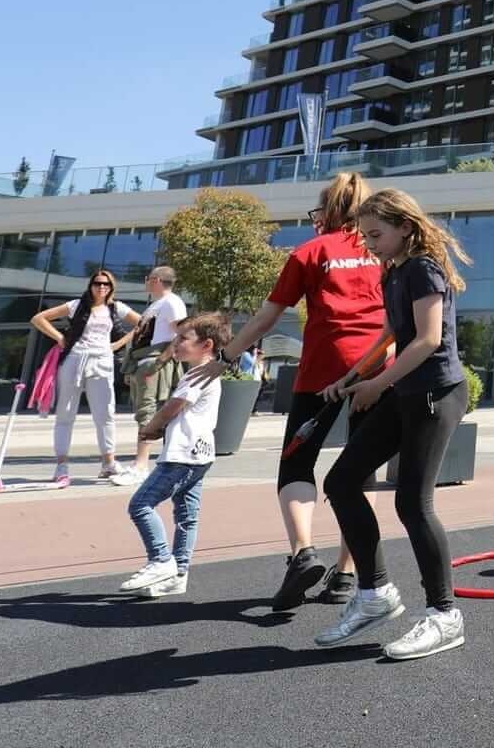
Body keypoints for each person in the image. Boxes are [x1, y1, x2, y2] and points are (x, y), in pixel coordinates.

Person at [191, 172, 384, 612]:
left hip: (323, 365)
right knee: (362, 469)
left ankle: (303, 552)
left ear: (330, 211)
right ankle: (347, 574)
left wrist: (224, 359)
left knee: (297, 462)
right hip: (376, 365)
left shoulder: (311, 251)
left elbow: (265, 318)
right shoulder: (381, 250)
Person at [314, 189, 470, 660]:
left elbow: (426, 340)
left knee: (413, 503)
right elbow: (390, 334)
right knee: (341, 482)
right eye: (366, 236)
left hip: (436, 394)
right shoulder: (395, 270)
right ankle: (376, 592)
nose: (371, 244)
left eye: (377, 234)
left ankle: (445, 616)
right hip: (404, 393)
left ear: (405, 226)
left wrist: (376, 385)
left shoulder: (423, 267)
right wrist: (351, 376)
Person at [119, 313, 233, 599]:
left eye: (183, 338)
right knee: (187, 515)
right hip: (200, 454)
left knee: (140, 505)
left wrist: (151, 427)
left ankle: (161, 561)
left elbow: (175, 405)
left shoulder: (199, 373)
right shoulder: (203, 372)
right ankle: (178, 573)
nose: (176, 343)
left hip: (182, 455)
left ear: (206, 345)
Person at [29, 271, 139, 485]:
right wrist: (60, 338)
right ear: (91, 285)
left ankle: (109, 463)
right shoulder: (76, 305)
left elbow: (143, 323)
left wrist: (119, 344)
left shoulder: (116, 308)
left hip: (102, 362)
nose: (102, 287)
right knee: (65, 414)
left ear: (111, 287)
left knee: (105, 413)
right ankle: (61, 465)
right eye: (97, 283)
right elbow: (38, 318)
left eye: (106, 284)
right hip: (75, 359)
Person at [121, 266, 189, 488]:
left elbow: (182, 333)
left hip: (153, 362)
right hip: (144, 361)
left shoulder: (171, 302)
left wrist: (160, 361)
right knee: (145, 409)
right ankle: (142, 463)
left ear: (157, 280)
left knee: (148, 411)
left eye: (148, 278)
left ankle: (141, 465)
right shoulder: (157, 305)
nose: (146, 282)